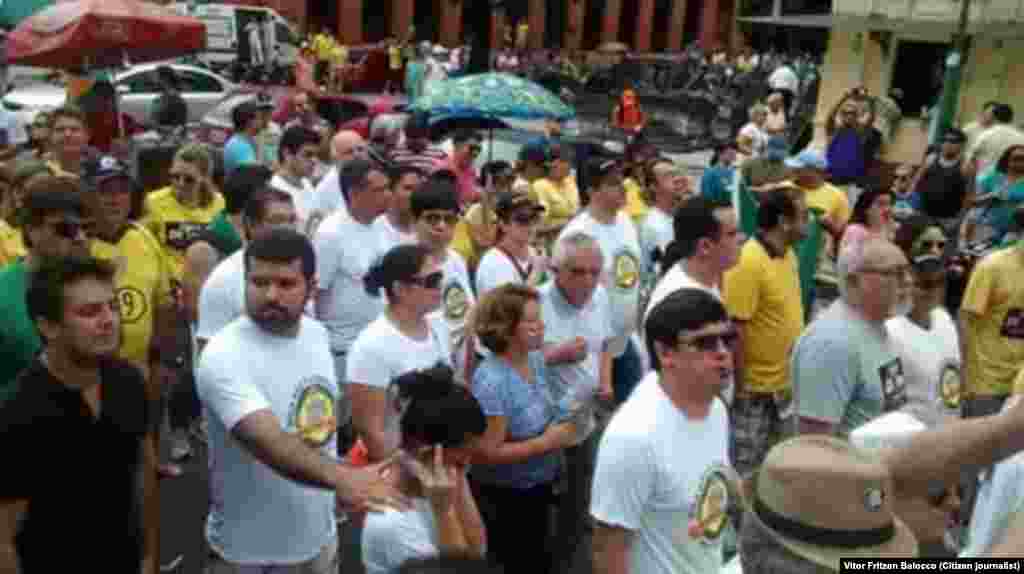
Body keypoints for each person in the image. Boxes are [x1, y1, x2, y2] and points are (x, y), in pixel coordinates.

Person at [197, 229, 407, 573]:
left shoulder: (315, 334)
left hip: (319, 542)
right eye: (259, 282)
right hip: (249, 555)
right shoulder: (223, 354)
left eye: (285, 283)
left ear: (312, 286)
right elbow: (268, 441)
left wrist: (343, 469)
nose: (270, 295)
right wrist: (344, 478)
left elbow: (317, 423)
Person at [0, 255, 159, 573]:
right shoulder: (18, 410)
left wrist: (148, 559)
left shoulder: (128, 381)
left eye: (112, 306)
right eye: (89, 311)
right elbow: (4, 536)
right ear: (48, 327)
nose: (108, 320)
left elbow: (144, 474)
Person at [591, 288, 736, 574]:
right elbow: (608, 551)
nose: (722, 353)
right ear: (665, 353)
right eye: (705, 343)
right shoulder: (633, 438)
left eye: (727, 340)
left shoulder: (715, 408)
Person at [468, 283, 576, 574]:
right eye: (531, 321)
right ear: (506, 328)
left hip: (538, 487)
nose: (541, 326)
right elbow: (486, 453)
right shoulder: (493, 381)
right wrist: (547, 443)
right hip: (506, 498)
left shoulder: (535, 360)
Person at [361, 366, 488, 573]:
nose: (467, 464)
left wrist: (458, 480)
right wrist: (444, 513)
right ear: (426, 453)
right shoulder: (394, 524)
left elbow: (478, 551)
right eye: (460, 459)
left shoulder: (442, 481)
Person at [540, 232, 615, 571]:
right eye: (577, 272)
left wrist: (606, 382)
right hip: (544, 424)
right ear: (556, 270)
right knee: (542, 502)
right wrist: (556, 354)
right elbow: (511, 363)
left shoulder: (601, 296)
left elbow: (606, 347)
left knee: (580, 492)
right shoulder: (535, 304)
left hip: (585, 419)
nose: (587, 281)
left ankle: (570, 555)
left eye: (594, 272)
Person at [792, 238, 913, 436]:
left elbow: (893, 409)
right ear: (854, 281)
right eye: (895, 273)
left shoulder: (878, 326)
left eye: (908, 271)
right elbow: (815, 446)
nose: (908, 281)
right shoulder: (831, 343)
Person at [313, 159, 395, 451]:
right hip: (340, 350)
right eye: (380, 189)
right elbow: (314, 293)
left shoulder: (380, 228)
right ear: (354, 193)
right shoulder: (330, 234)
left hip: (373, 345)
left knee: (369, 429)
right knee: (337, 432)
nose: (389, 195)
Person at [723, 190, 805, 475]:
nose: (808, 222)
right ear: (784, 221)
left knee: (775, 468)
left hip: (783, 385)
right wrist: (742, 388)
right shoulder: (748, 262)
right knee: (746, 469)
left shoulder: (789, 255)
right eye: (803, 216)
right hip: (755, 391)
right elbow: (737, 329)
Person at [347, 244, 452, 462]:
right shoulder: (371, 346)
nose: (440, 287)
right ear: (400, 288)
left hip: (439, 456)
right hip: (398, 470)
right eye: (431, 281)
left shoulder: (439, 325)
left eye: (439, 278)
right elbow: (372, 435)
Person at [559, 159, 644, 403]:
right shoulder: (578, 234)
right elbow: (565, 295)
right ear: (592, 192)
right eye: (613, 184)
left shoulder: (626, 222)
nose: (623, 188)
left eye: (622, 181)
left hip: (625, 340)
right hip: (590, 348)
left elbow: (630, 280)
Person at [0, 179, 90, 401]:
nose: (79, 237)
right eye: (65, 229)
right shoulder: (3, 291)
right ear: (31, 229)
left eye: (83, 228)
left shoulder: (91, 285)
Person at [196, 187, 299, 352]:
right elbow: (207, 349)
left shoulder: (300, 271)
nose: (288, 228)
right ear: (252, 225)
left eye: (292, 220)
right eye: (277, 220)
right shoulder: (224, 279)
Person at [888, 216, 960, 418]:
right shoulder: (888, 330)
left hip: (948, 433)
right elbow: (891, 402)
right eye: (925, 284)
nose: (936, 251)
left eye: (941, 245)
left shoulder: (943, 318)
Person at [959, 200, 1024, 419]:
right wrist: (966, 380)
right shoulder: (992, 267)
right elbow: (966, 321)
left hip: (1019, 389)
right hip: (986, 387)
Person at [409, 181, 476, 381]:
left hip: (461, 368)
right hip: (426, 372)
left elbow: (467, 319)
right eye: (432, 218)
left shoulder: (457, 260)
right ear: (414, 220)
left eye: (449, 219)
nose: (441, 226)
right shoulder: (404, 264)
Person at [142, 143, 225, 279]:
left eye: (189, 179)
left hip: (208, 279)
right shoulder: (154, 202)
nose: (180, 183)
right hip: (171, 283)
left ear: (203, 178)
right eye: (175, 176)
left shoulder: (219, 203)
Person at [647, 197, 740, 318]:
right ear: (705, 246)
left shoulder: (705, 280)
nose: (741, 238)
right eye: (732, 234)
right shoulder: (681, 307)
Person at [475, 190, 548, 295]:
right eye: (522, 219)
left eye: (534, 217)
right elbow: (507, 308)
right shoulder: (493, 264)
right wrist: (536, 273)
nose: (530, 224)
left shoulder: (537, 254)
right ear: (503, 225)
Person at [639, 160, 692, 280]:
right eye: (668, 176)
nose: (677, 179)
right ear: (653, 187)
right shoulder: (653, 227)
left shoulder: (684, 217)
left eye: (676, 174)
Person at [910, 128, 969, 229]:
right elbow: (915, 182)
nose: (947, 144)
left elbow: (968, 196)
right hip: (924, 214)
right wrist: (912, 207)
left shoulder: (965, 166)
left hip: (947, 220)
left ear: (961, 145)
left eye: (953, 141)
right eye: (944, 140)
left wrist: (960, 220)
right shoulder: (931, 159)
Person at [271, 124, 322, 231]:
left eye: (316, 155)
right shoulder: (274, 189)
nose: (314, 160)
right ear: (287, 154)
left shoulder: (306, 183)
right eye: (308, 155)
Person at [966, 103, 1024, 175]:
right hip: (1012, 177)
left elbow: (971, 157)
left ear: (994, 117)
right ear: (1011, 118)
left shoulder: (986, 135)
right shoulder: (1021, 137)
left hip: (985, 176)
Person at [374, 164, 423, 248]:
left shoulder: (426, 230)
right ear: (391, 191)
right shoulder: (375, 228)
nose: (415, 194)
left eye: (419, 189)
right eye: (408, 188)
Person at [224, 99, 275, 175]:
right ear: (250, 122)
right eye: (260, 118)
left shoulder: (248, 141)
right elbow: (254, 175)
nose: (263, 121)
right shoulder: (239, 146)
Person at [839, 186, 894, 254]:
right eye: (881, 204)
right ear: (866, 209)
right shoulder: (855, 231)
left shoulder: (887, 229)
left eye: (890, 204)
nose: (887, 209)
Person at [45, 106, 91, 177]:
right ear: (49, 136)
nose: (67, 134)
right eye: (60, 129)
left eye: (74, 129)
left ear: (86, 135)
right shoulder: (35, 174)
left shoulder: (101, 170)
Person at [150, 65, 188, 130]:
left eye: (156, 76)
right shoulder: (162, 95)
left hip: (168, 136)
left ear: (164, 78)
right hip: (161, 135)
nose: (153, 78)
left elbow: (180, 125)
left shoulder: (174, 98)